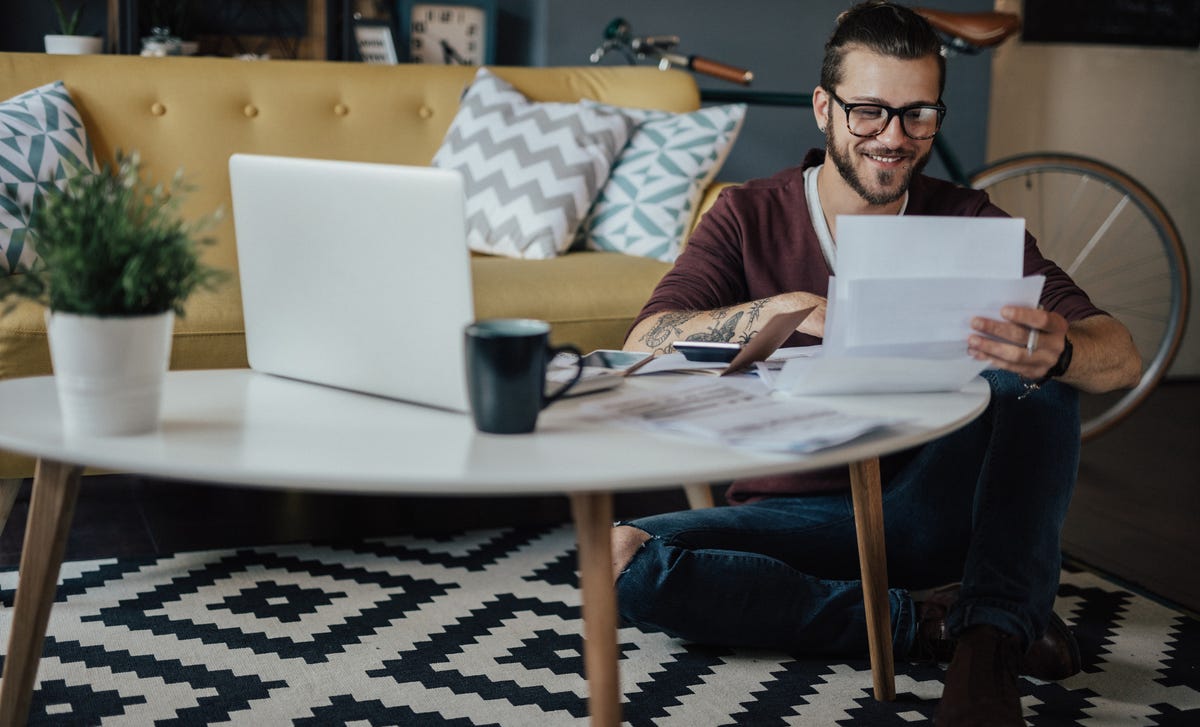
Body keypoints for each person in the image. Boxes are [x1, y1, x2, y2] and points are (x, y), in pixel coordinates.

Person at [612, 2, 1142, 725]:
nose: (894, 138)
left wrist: (1063, 348)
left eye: (918, 114)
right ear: (824, 109)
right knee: (619, 561)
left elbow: (1120, 356)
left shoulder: (966, 218)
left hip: (922, 504)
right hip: (796, 514)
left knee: (1034, 382)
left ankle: (986, 653)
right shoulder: (747, 214)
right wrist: (784, 309)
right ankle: (930, 624)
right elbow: (646, 339)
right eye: (869, 112)